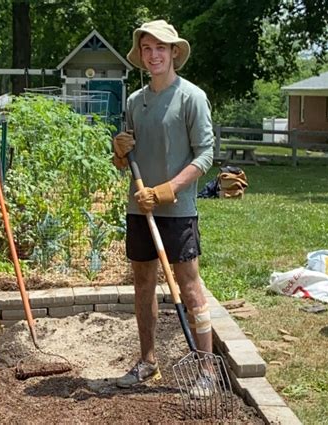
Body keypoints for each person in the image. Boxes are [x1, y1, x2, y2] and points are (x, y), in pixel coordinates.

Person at [113, 20, 215, 394]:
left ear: (174, 53)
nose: (153, 55)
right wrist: (119, 152)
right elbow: (128, 161)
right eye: (147, 48)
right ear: (140, 55)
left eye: (161, 48)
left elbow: (206, 155)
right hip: (140, 208)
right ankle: (147, 361)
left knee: (189, 287)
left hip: (177, 209)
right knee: (143, 284)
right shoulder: (134, 103)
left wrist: (167, 191)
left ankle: (206, 370)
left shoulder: (192, 97)